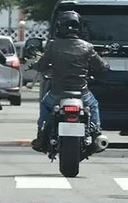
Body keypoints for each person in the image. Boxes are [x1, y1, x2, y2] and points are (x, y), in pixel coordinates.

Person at [32, 11, 109, 152]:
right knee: (94, 105)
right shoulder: (87, 47)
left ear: (60, 26)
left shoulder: (53, 46)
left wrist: (35, 65)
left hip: (57, 92)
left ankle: (41, 134)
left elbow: (42, 66)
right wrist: (106, 65)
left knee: (45, 105)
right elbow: (101, 67)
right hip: (82, 93)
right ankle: (97, 133)